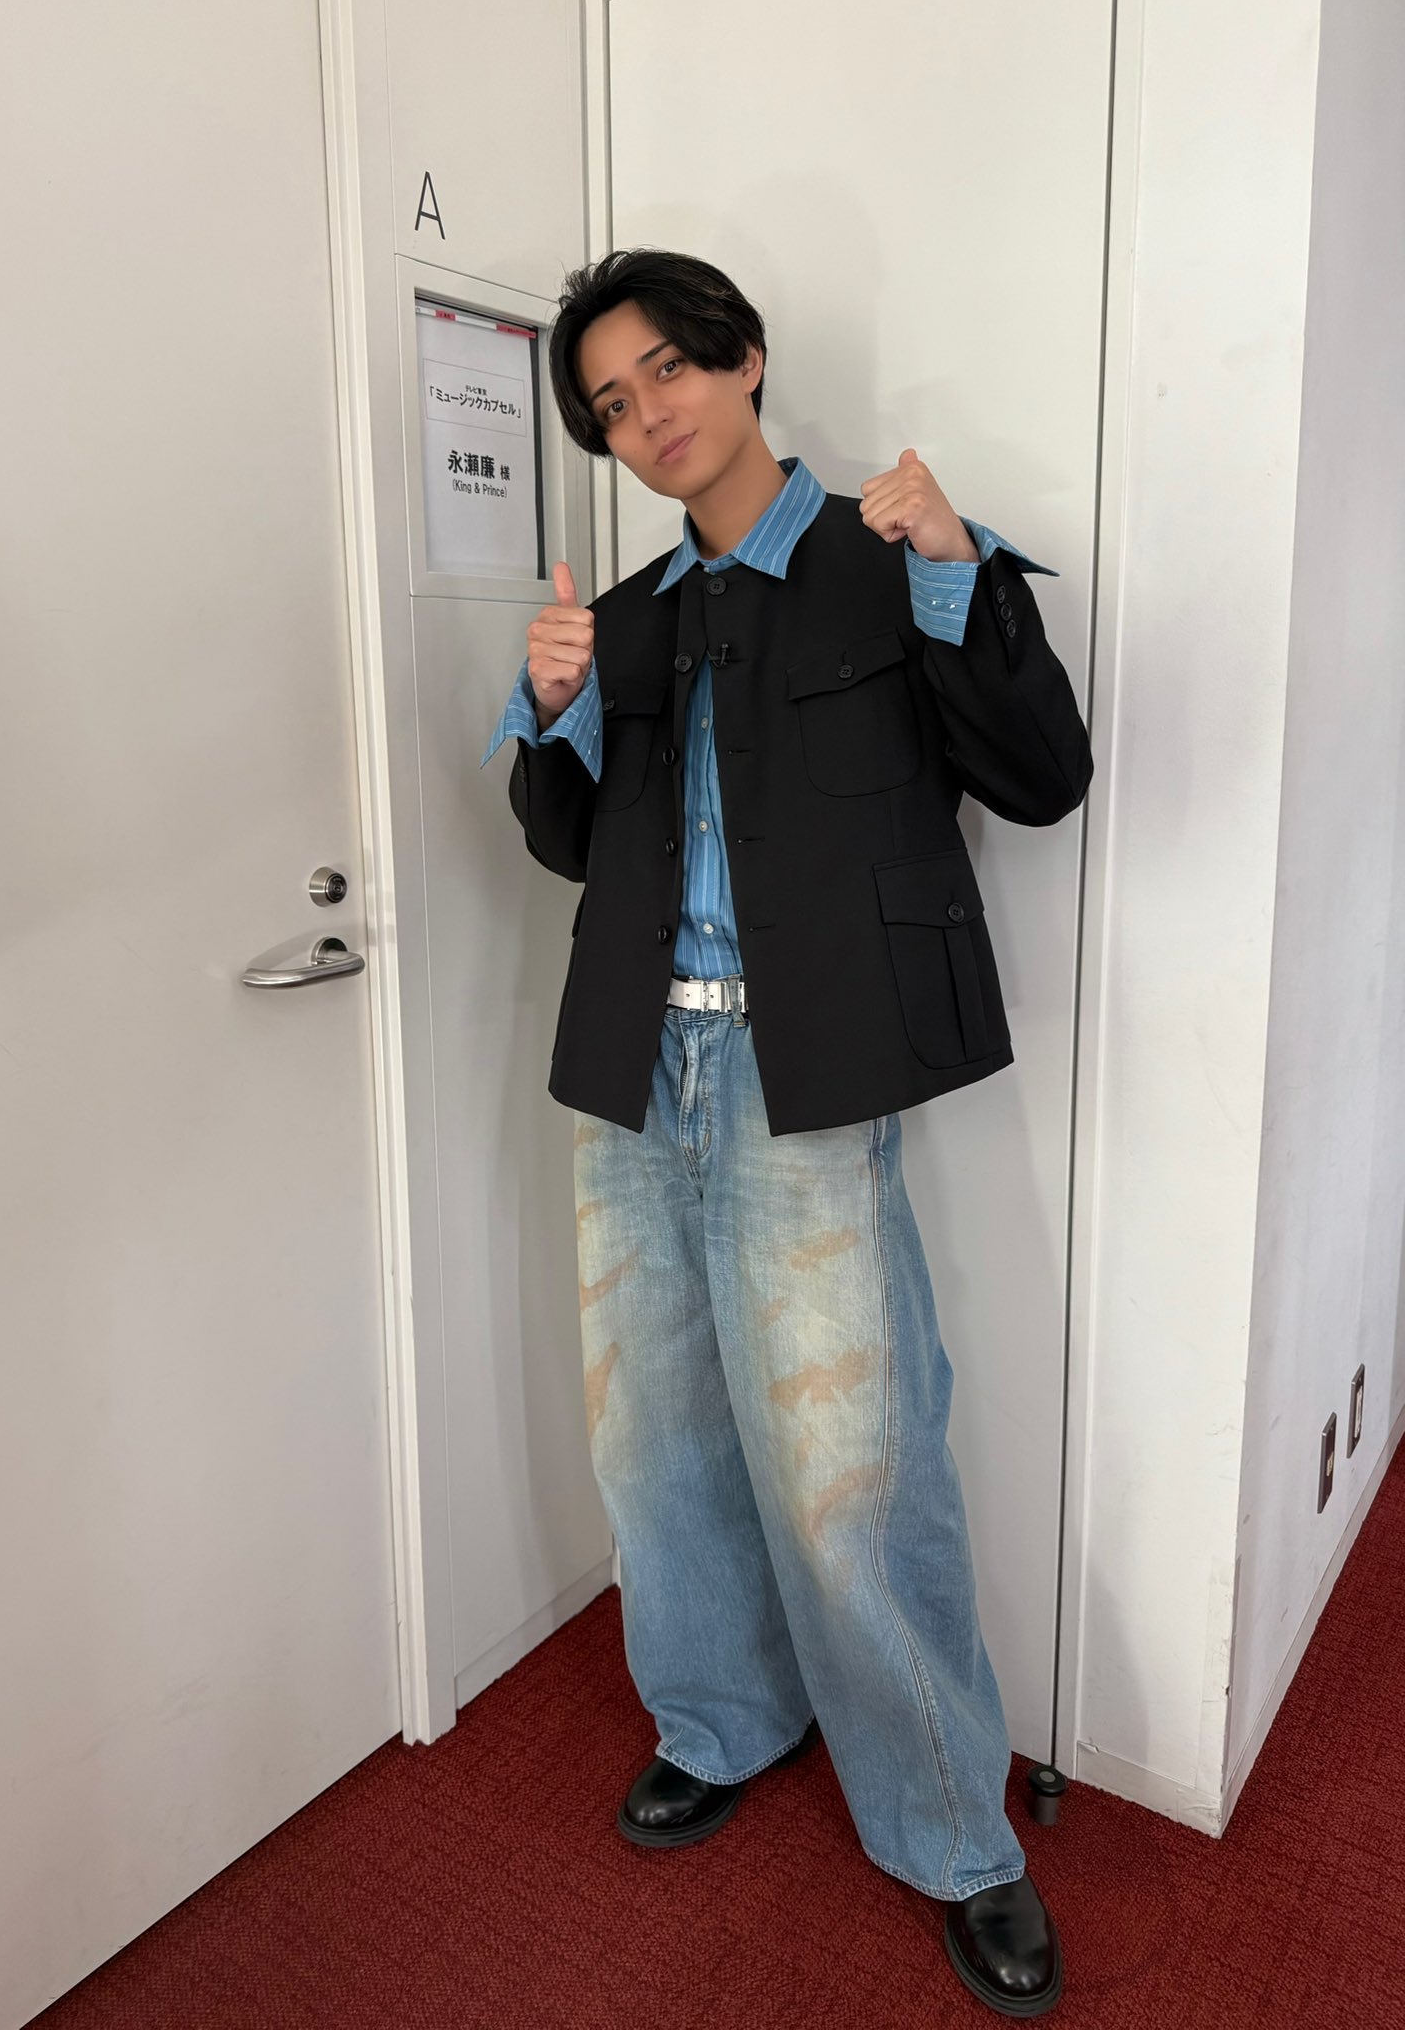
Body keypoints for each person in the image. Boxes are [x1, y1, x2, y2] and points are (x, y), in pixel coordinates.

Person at [480, 247, 1091, 2020]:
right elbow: (567, 842)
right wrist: (548, 711)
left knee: (853, 1473)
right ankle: (722, 1723)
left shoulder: (888, 558)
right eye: (612, 405)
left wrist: (957, 567)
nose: (648, 415)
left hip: (795, 1077)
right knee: (655, 1447)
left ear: (745, 360)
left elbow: (1042, 776)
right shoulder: (632, 615)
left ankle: (955, 1832)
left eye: (668, 370)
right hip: (629, 1070)